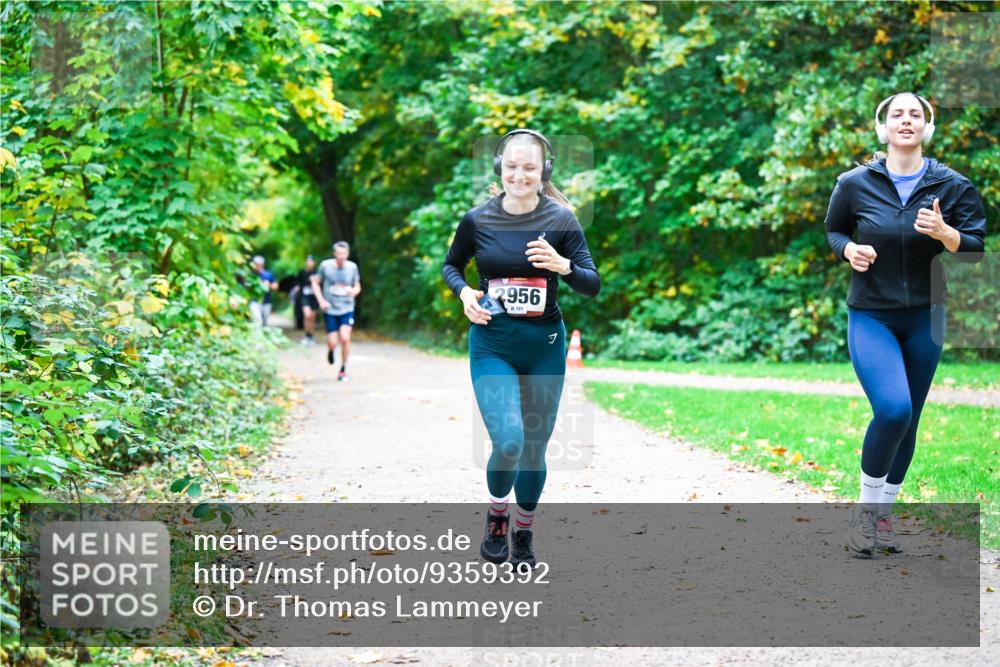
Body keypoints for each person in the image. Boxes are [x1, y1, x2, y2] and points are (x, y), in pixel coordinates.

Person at [825, 93, 987, 557]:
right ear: (884, 127)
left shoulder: (951, 185)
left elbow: (975, 249)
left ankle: (884, 518)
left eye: (915, 114)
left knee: (909, 421)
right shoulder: (854, 183)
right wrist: (847, 251)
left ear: (926, 127)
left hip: (926, 317)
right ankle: (864, 511)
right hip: (871, 314)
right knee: (893, 409)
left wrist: (946, 234)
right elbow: (834, 230)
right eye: (897, 114)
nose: (906, 120)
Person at [443, 129, 600, 568]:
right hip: (492, 344)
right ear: (499, 167)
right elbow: (452, 265)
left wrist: (565, 266)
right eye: (511, 166)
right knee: (509, 441)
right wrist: (465, 294)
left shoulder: (563, 219)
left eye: (529, 167)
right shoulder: (478, 219)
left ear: (543, 170)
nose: (519, 174)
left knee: (534, 449)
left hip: (545, 346)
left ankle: (524, 532)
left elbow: (591, 284)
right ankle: (497, 516)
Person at [312, 242, 361, 381]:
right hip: (330, 309)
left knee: (345, 338)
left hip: (347, 307)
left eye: (344, 254)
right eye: (339, 254)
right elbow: (315, 282)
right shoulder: (325, 266)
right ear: (334, 254)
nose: (341, 256)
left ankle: (343, 370)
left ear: (347, 254)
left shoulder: (352, 267)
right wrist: (321, 300)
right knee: (333, 342)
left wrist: (354, 291)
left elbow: (357, 285)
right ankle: (331, 349)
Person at [295, 255, 319, 346]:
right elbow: (298, 283)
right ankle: (306, 335)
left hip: (314, 297)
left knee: (312, 317)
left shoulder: (317, 273)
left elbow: (321, 283)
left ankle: (311, 336)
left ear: (314, 263)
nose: (309, 263)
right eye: (308, 261)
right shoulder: (302, 272)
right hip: (304, 296)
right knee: (307, 315)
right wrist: (297, 289)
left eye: (311, 261)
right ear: (306, 262)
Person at [250, 255, 277, 327]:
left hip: (266, 302)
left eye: (259, 264)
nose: (257, 265)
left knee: (264, 322)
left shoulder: (268, 275)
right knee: (257, 319)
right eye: (256, 264)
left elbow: (276, 286)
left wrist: (269, 285)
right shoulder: (251, 275)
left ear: (262, 264)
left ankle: (262, 336)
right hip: (254, 301)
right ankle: (257, 336)